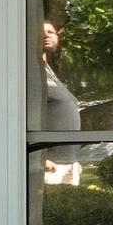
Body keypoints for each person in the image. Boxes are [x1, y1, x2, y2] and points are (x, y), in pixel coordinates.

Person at [39, 19, 82, 184]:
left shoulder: (45, 69)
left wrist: (73, 159)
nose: (46, 35)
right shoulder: (28, 70)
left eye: (50, 32)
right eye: (40, 32)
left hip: (67, 165)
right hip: (47, 165)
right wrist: (39, 160)